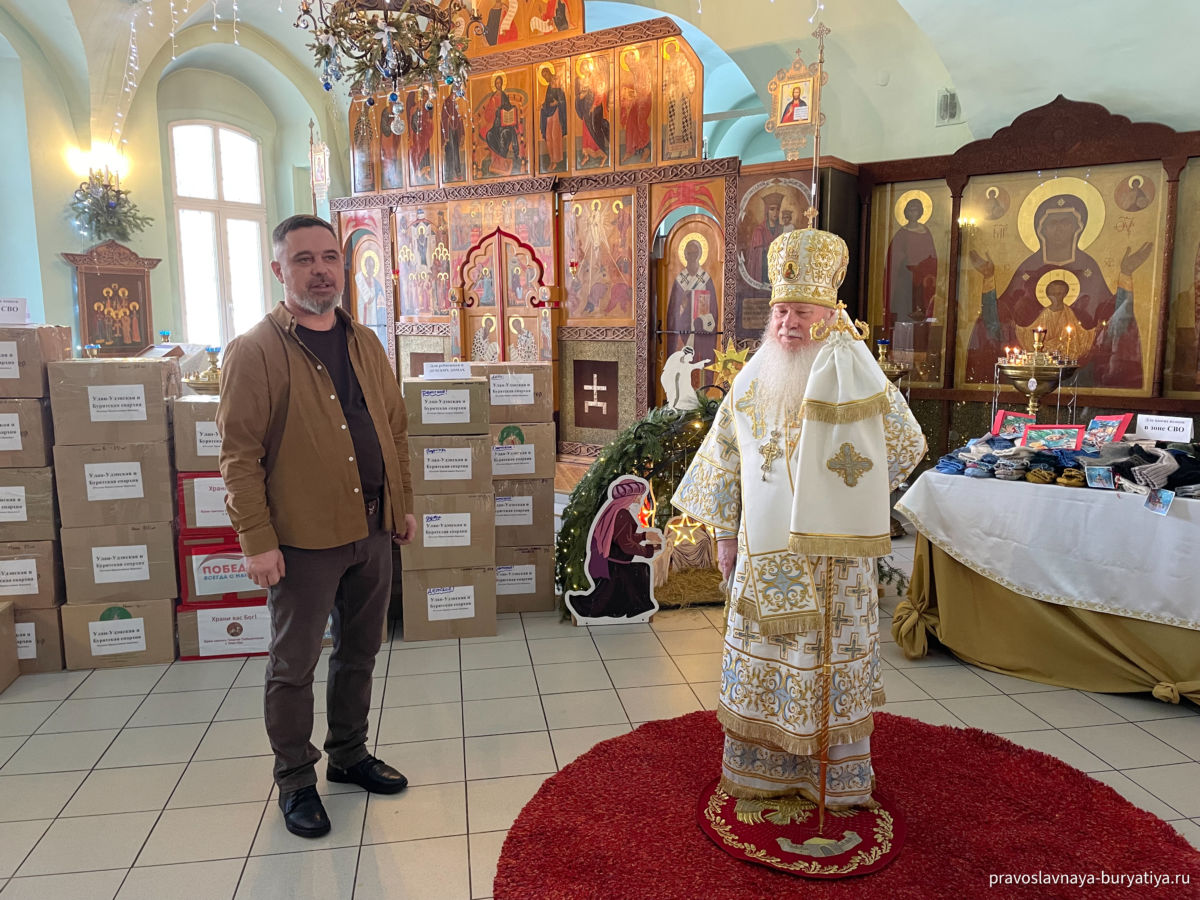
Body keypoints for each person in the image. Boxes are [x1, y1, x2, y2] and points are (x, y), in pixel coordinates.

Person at [673, 227, 926, 808]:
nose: (787, 323)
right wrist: (724, 538)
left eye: (801, 312)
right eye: (780, 311)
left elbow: (905, 444)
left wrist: (849, 503)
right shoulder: (752, 380)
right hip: (764, 558)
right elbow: (724, 461)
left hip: (834, 562)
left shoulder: (855, 373)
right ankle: (763, 773)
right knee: (769, 661)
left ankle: (830, 780)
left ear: (829, 316)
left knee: (824, 663)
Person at [218, 215, 416, 839]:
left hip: (371, 529)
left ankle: (349, 755)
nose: (320, 270)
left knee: (360, 651)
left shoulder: (366, 343)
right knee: (294, 664)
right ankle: (296, 779)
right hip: (302, 540)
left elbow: (394, 429)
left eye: (330, 257)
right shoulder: (255, 351)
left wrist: (402, 505)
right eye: (303, 259)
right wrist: (257, 541)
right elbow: (239, 457)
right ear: (278, 269)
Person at [964, 192, 1150, 388]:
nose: (1059, 228)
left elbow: (1113, 319)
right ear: (1041, 229)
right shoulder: (1028, 266)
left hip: (1080, 376)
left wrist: (1126, 274)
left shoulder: (1089, 266)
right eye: (1052, 223)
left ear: (1078, 227)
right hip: (1028, 375)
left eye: (1066, 222)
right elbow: (997, 320)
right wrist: (988, 278)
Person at [565, 477, 663, 622]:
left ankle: (636, 608)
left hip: (610, 561)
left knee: (639, 570)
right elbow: (626, 545)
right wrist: (648, 550)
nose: (640, 498)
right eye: (638, 495)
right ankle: (637, 609)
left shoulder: (615, 512)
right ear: (630, 496)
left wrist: (644, 535)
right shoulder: (622, 514)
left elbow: (622, 537)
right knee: (641, 570)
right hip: (614, 565)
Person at [883, 196, 938, 328]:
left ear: (921, 212)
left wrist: (924, 268)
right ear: (906, 213)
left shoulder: (926, 232)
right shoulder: (901, 234)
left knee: (920, 305)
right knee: (904, 306)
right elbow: (894, 257)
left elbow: (932, 255)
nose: (913, 213)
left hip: (923, 276)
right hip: (906, 276)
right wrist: (907, 264)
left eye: (916, 210)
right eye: (910, 210)